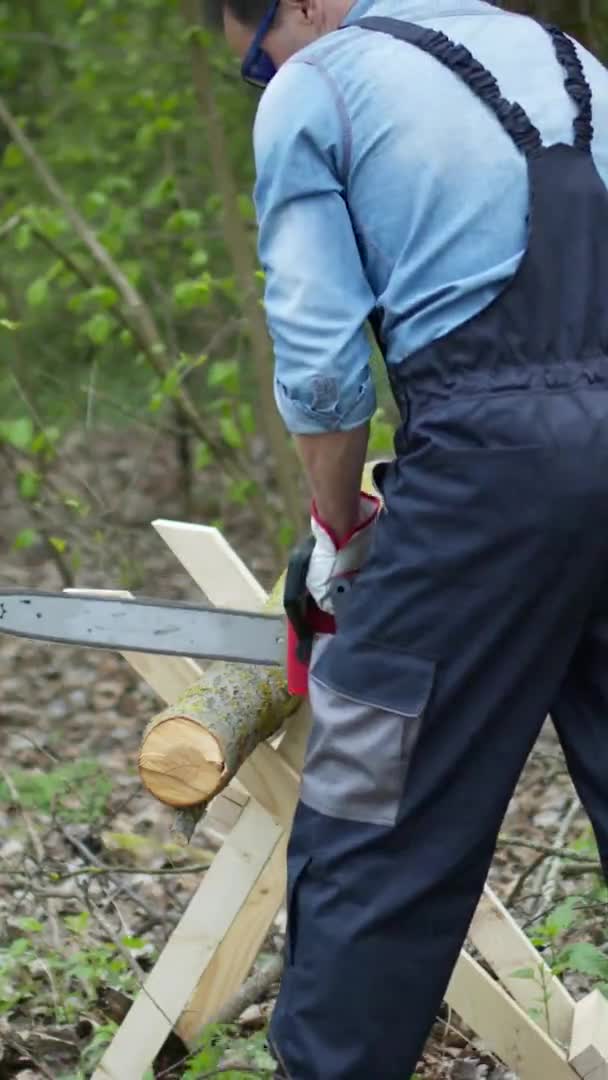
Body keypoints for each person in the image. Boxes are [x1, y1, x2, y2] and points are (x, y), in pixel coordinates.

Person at [221, 0, 608, 1077]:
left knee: (368, 815)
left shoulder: (325, 84)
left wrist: (339, 526)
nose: (271, 77)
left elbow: (320, 361)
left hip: (489, 474)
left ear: (294, 7)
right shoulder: (565, 55)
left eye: (259, 56)